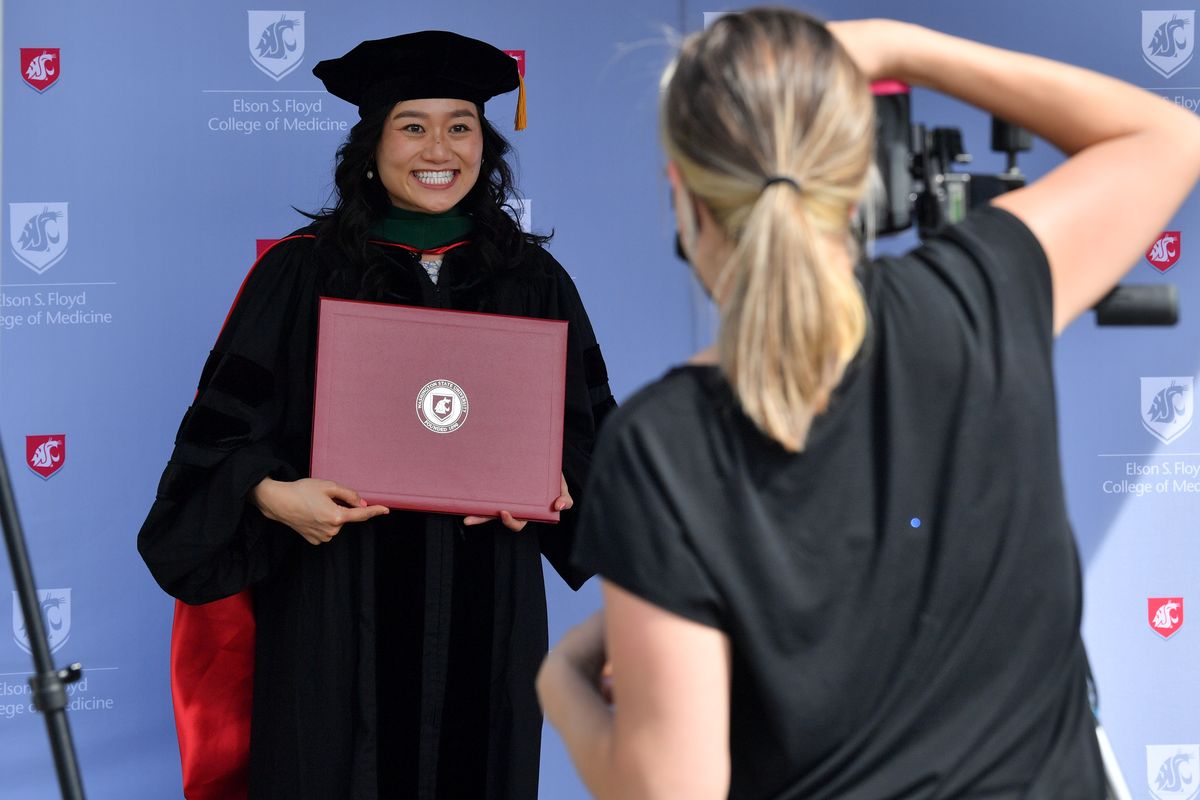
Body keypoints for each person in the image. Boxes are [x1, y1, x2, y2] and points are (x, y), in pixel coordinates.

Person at [536, 8, 1200, 799]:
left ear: (682, 195)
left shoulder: (659, 447)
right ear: (860, 179)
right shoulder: (973, 299)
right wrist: (899, 46)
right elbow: (1166, 139)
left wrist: (562, 682)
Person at [137, 31, 615, 800]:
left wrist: (561, 486)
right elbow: (216, 450)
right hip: (333, 617)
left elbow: (596, 454)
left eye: (460, 125)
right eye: (413, 125)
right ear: (370, 147)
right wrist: (271, 495)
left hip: (487, 616)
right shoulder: (300, 273)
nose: (440, 147)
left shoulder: (532, 279)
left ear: (485, 146)